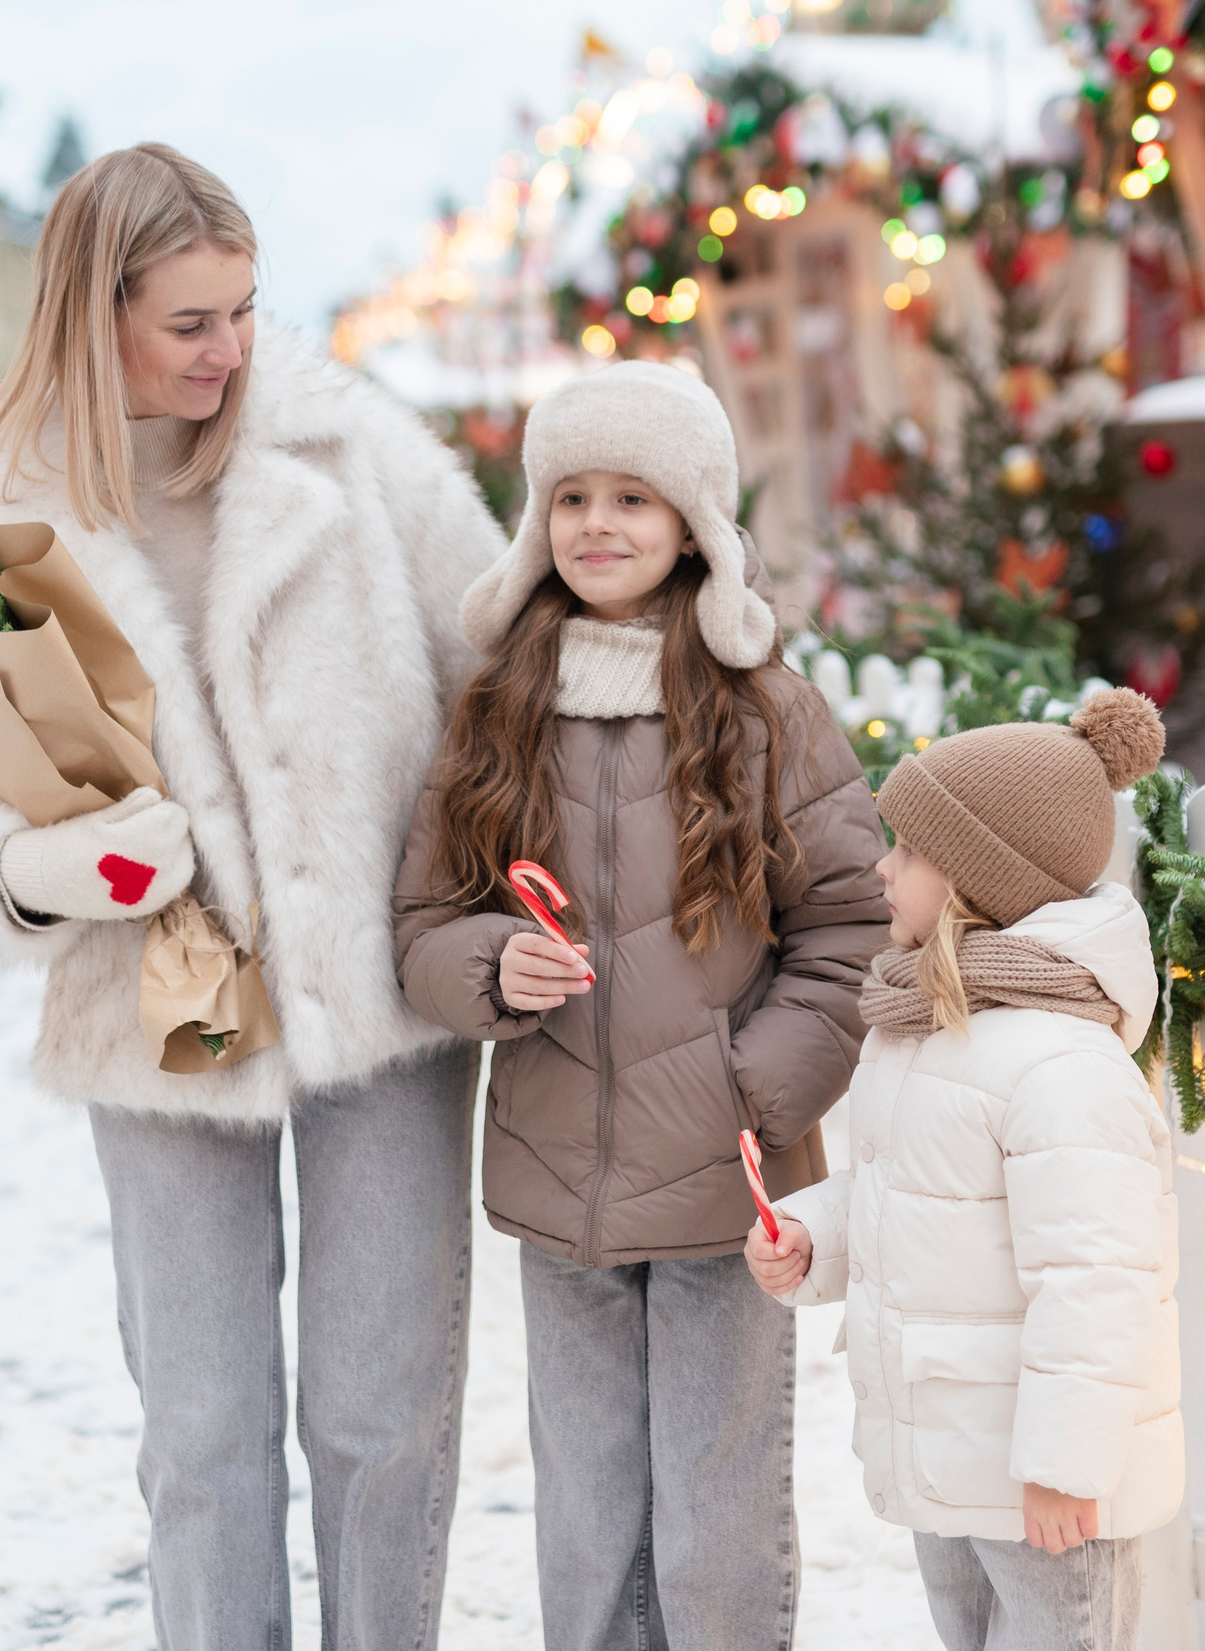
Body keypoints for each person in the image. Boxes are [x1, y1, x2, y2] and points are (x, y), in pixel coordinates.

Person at [0, 143, 505, 1651]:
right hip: (155, 1017)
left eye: (244, 309)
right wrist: (59, 870)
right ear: (95, 316)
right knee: (200, 1433)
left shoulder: (355, 457)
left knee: (385, 1413)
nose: (230, 349)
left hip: (381, 994)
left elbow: (507, 668)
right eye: (190, 321)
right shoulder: (6, 530)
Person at [391, 362, 888, 1649]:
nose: (597, 524)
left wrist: (754, 1084)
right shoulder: (495, 706)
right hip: (561, 1178)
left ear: (692, 521)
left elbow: (848, 926)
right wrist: (490, 964)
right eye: (571, 496)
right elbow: (425, 921)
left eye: (632, 497)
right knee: (588, 1498)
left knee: (719, 1503)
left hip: (730, 1180)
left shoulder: (765, 707)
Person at [744, 688, 1183, 1650]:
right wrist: (817, 1235)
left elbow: (1098, 1279)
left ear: (981, 881)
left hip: (1044, 1483)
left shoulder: (1059, 1061)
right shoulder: (926, 1024)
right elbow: (913, 1190)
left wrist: (1065, 1463)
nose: (882, 865)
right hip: (952, 1453)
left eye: (908, 850)